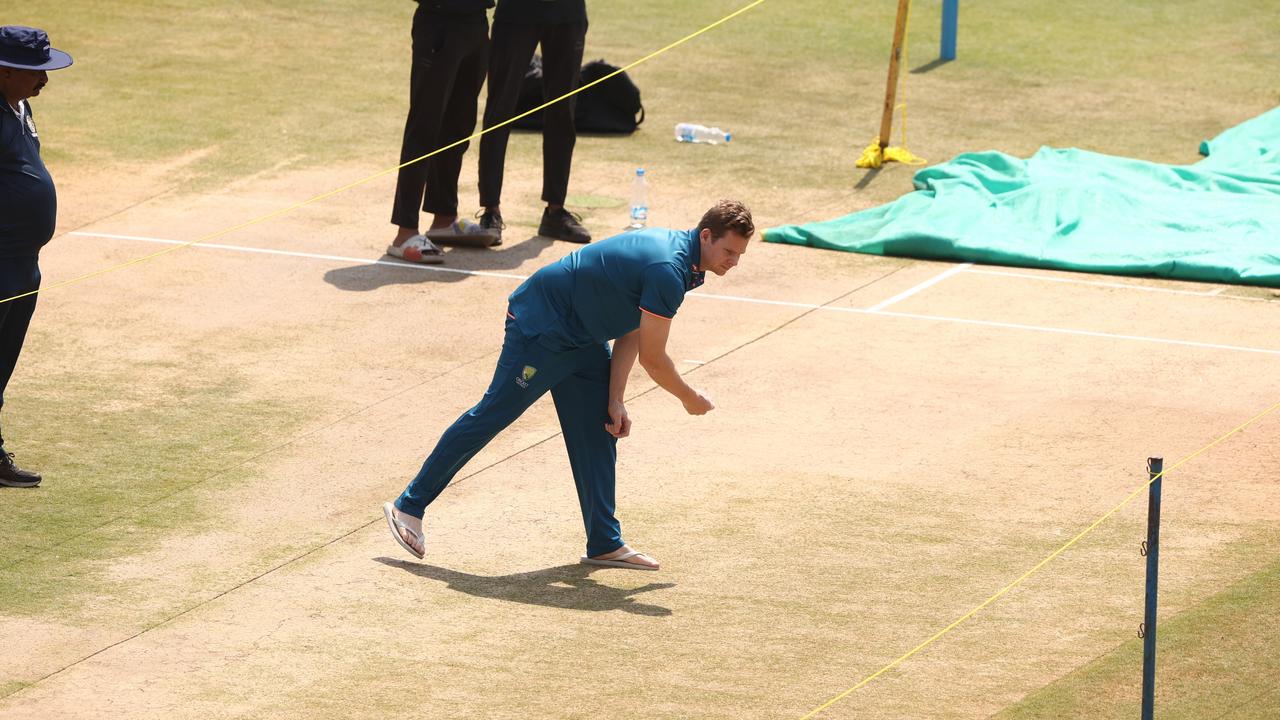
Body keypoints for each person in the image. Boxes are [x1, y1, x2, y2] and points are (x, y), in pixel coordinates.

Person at [384, 200, 755, 569]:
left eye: (739, 254)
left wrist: (616, 398)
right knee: (493, 415)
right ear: (706, 236)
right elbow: (654, 360)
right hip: (542, 326)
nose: (733, 262)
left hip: (584, 337)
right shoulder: (669, 268)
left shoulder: (690, 262)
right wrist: (689, 398)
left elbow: (632, 327)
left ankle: (604, 542)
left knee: (600, 427)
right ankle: (409, 506)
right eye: (729, 251)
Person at [0, 26, 73, 489]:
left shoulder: (20, 105)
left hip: (23, 263)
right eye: (35, 72)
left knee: (1, 365)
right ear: (5, 71)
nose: (44, 79)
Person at [387, 0, 497, 265]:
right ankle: (405, 232)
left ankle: (444, 218)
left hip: (476, 21)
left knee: (459, 125)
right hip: (438, 22)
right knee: (424, 125)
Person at [474, 0, 591, 245]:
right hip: (517, 13)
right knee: (500, 110)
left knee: (562, 113)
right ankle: (490, 211)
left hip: (568, 14)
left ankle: (555, 212)